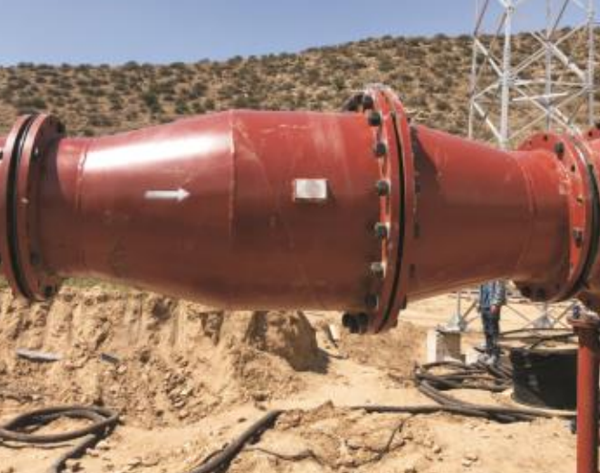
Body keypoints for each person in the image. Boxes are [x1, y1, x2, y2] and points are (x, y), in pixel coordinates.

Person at [478, 280, 506, 365]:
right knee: (486, 330)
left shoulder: (496, 275)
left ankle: (495, 355)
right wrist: (479, 303)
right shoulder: (483, 277)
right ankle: (488, 352)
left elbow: (500, 288)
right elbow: (481, 290)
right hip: (484, 305)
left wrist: (496, 303)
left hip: (492, 306)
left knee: (493, 331)